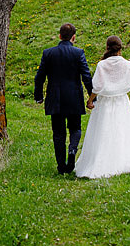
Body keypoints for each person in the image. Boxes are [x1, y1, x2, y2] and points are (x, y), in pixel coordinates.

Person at [74, 35, 130, 179]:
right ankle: (124, 159)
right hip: (121, 101)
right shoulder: (127, 64)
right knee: (122, 129)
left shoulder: (102, 65)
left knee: (103, 131)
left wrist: (90, 100)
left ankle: (102, 160)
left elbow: (97, 86)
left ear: (107, 47)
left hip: (105, 103)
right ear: (120, 48)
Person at [34, 23, 95, 174]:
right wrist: (92, 96)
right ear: (73, 37)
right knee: (75, 128)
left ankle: (61, 166)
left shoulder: (48, 53)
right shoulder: (78, 53)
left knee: (58, 132)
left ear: (60, 36)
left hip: (55, 98)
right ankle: (73, 149)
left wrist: (39, 96)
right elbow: (86, 77)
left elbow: (39, 77)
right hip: (74, 96)